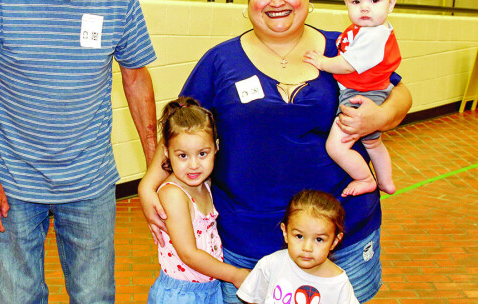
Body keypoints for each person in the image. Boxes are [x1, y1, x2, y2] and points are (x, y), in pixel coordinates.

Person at [139, 0, 412, 303]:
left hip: (340, 238)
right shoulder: (219, 61)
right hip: (247, 246)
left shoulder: (345, 45)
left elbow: (399, 92)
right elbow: (182, 126)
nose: (277, 2)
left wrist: (381, 117)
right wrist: (147, 184)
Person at [0, 0, 157, 303]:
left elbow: (136, 78)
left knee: (95, 296)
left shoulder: (120, 3)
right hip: (13, 181)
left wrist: (156, 167)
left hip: (90, 179)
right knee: (19, 297)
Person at [147, 97, 250, 304]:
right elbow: (188, 254)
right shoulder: (173, 194)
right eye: (183, 156)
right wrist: (235, 275)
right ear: (166, 152)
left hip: (209, 290)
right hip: (181, 295)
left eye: (202, 153)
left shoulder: (205, 184)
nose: (194, 165)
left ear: (216, 148)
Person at [303, 0, 400, 197]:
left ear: (391, 5)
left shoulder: (374, 35)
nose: (364, 7)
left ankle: (365, 178)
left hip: (360, 95)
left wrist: (322, 62)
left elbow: (347, 65)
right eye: (356, 2)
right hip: (372, 90)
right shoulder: (366, 30)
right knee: (373, 143)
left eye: (374, 1)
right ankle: (386, 181)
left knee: (336, 147)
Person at [237, 190, 359, 304]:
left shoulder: (339, 284)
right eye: (299, 236)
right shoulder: (271, 264)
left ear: (334, 241)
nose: (307, 248)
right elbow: (253, 298)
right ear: (285, 233)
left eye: (319, 239)